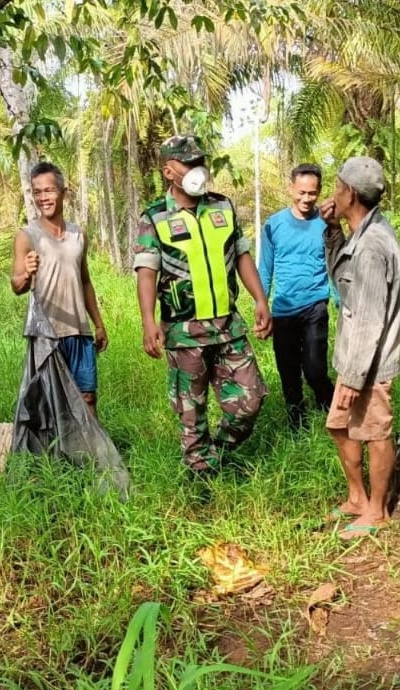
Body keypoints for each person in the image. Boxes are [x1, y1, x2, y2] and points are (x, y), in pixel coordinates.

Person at [134, 135, 272, 475]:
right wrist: (148, 322)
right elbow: (146, 273)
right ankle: (202, 478)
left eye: (200, 163)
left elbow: (241, 255)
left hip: (228, 326)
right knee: (190, 412)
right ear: (169, 171)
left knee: (249, 401)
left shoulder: (222, 206)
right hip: (184, 332)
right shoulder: (155, 217)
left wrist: (260, 299)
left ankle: (217, 454)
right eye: (188, 164)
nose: (198, 170)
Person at [319, 156, 400, 540]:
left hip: (368, 364)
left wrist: (354, 377)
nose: (331, 194)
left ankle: (377, 510)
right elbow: (342, 281)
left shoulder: (373, 246)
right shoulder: (361, 232)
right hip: (353, 358)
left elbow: (370, 319)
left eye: (337, 187)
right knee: (339, 427)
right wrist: (332, 229)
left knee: (375, 432)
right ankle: (357, 498)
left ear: (350, 193)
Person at [11, 160, 108, 412]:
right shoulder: (27, 236)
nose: (43, 197)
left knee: (88, 397)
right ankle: (54, 451)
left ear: (63, 193)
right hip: (46, 334)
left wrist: (98, 324)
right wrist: (26, 274)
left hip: (79, 332)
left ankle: (90, 451)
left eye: (49, 190)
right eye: (37, 192)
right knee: (50, 402)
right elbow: (16, 285)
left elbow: (85, 280)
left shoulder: (78, 235)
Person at [258, 164, 337, 431]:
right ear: (291, 187)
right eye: (301, 192)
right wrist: (262, 305)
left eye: (312, 194)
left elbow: (334, 263)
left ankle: (333, 413)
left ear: (319, 192)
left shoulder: (326, 224)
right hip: (283, 310)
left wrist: (339, 299)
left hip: (315, 305)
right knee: (289, 374)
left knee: (315, 371)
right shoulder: (274, 224)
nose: (306, 199)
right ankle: (297, 426)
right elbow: (265, 268)